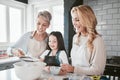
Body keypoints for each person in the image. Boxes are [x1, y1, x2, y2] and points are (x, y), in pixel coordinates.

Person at [61, 5, 106, 75]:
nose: (74, 23)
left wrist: (73, 69)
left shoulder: (97, 40)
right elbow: (75, 63)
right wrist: (67, 68)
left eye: (77, 20)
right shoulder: (75, 38)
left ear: (87, 20)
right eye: (73, 19)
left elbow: (98, 71)